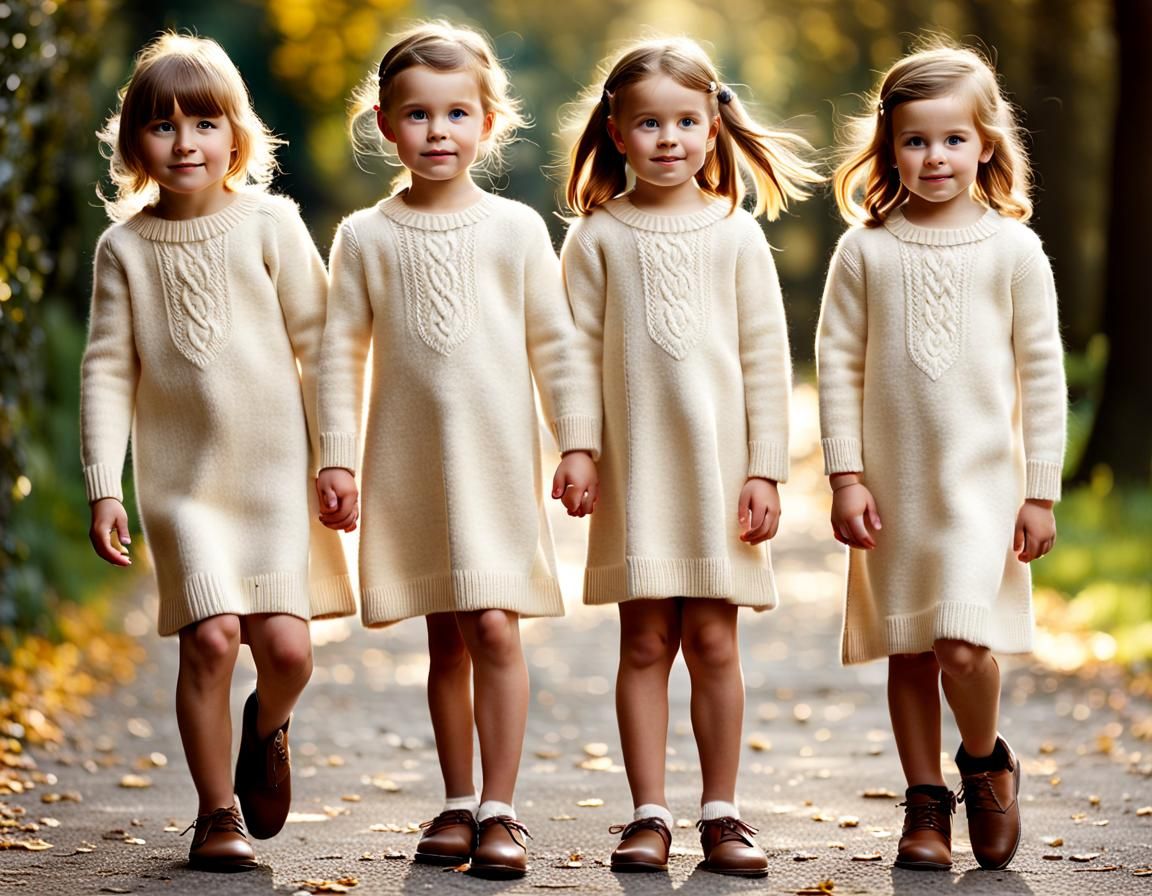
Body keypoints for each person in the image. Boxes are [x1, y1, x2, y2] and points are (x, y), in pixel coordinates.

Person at [315, 21, 600, 880]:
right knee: (445, 638)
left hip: (498, 462)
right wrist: (336, 457)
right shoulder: (365, 237)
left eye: (456, 114)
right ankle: (456, 799)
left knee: (495, 627)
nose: (437, 132)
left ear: (488, 122)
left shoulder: (515, 230)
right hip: (410, 465)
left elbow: (556, 345)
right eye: (417, 115)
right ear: (383, 124)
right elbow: (338, 353)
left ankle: (503, 809)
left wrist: (577, 442)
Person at [81, 33, 355, 872]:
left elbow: (324, 344)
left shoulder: (270, 224)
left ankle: (265, 727)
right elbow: (105, 371)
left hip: (274, 480)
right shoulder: (123, 250)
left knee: (288, 652)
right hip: (183, 485)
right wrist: (105, 485)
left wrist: (335, 454)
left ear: (237, 135)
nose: (185, 143)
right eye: (162, 127)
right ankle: (215, 813)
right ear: (135, 145)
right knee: (208, 638)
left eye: (203, 123)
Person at [561, 36, 818, 877]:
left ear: (713, 128)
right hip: (637, 473)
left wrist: (766, 469)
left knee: (713, 642)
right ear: (618, 131)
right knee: (644, 643)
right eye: (649, 124)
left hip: (719, 473)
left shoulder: (735, 234)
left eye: (685, 122)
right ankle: (647, 816)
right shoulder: (596, 237)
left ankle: (722, 813)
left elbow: (766, 357)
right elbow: (572, 353)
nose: (667, 138)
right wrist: (579, 448)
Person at [817, 42, 1067, 872]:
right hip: (893, 488)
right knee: (912, 646)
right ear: (889, 147)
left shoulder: (1013, 251)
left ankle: (985, 762)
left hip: (983, 490)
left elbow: (1042, 375)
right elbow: (839, 364)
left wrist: (1041, 491)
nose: (934, 158)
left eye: (953, 140)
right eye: (915, 141)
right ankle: (924, 801)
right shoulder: (866, 250)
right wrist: (845, 474)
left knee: (962, 644)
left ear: (986, 144)